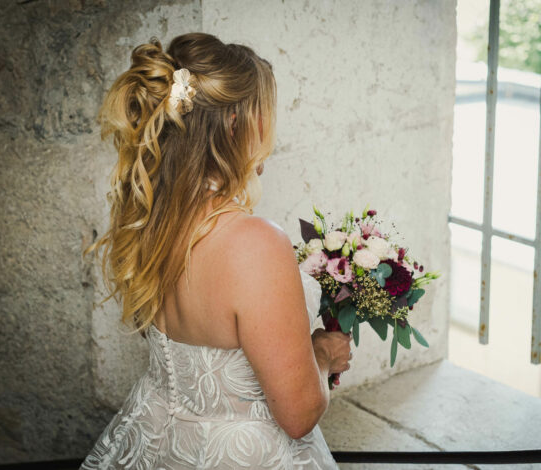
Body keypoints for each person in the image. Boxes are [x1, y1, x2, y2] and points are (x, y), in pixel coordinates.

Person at [81, 32, 351, 469]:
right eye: (263, 113)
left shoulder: (150, 217)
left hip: (153, 437)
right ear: (233, 124)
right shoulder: (255, 244)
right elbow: (298, 415)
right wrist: (322, 354)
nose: (271, 131)